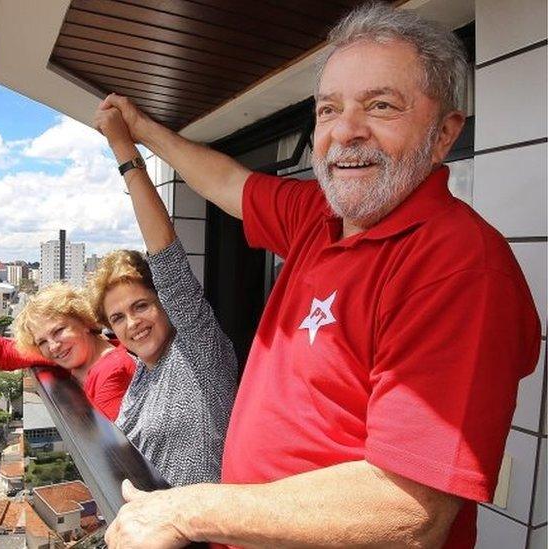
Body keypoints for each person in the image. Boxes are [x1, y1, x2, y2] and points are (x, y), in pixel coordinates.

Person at [100, 4, 541, 549]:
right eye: (329, 110)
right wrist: (140, 131)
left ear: (444, 133)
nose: (346, 132)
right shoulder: (320, 215)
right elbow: (226, 181)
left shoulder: (459, 266)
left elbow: (409, 509)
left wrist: (188, 509)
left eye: (381, 105)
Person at [89, 106, 239, 487]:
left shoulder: (198, 354)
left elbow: (167, 257)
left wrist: (124, 151)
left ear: (165, 303)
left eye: (141, 306)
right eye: (119, 317)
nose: (133, 322)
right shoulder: (142, 373)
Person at [0, 263, 135, 420]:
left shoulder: (113, 370)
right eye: (42, 342)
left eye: (59, 330)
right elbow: (2, 353)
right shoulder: (72, 353)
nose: (53, 345)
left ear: (84, 321)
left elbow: (119, 455)